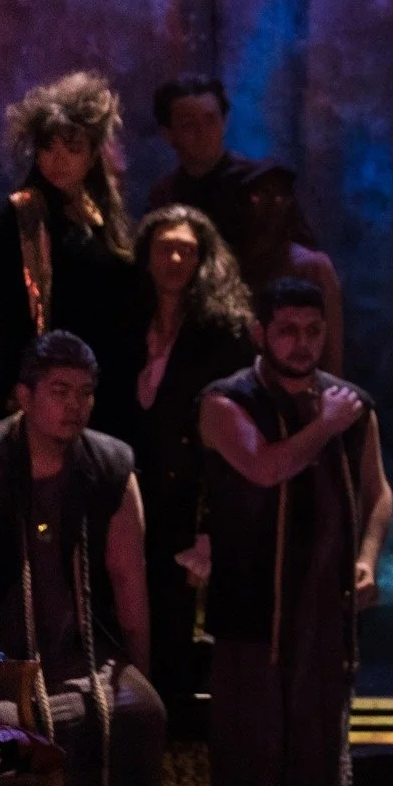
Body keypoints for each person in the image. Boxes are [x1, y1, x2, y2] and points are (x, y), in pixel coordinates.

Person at [198, 278, 390, 786]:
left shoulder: (351, 404)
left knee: (314, 744)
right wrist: (325, 425)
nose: (302, 343)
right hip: (253, 606)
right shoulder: (227, 400)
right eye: (288, 330)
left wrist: (366, 558)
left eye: (313, 331)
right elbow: (265, 467)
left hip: (322, 609)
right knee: (251, 746)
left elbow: (377, 492)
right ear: (261, 333)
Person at [0, 332, 164, 786]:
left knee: (141, 713)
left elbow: (129, 582)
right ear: (24, 396)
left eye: (85, 392)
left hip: (78, 651)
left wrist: (139, 668)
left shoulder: (108, 466)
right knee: (12, 731)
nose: (74, 406)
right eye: (59, 391)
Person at [124, 205, 256, 731]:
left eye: (187, 249)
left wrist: (212, 530)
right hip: (128, 496)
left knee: (179, 642)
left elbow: (232, 442)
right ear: (146, 255)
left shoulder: (222, 334)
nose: (176, 257)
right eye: (165, 247)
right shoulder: (124, 321)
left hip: (190, 503)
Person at [0, 73, 138, 436]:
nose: (58, 160)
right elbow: (9, 311)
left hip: (107, 373)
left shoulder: (101, 214)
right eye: (48, 148)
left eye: (72, 149)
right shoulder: (24, 213)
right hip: (51, 381)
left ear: (91, 157)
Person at [146, 75, 314, 259]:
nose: (203, 133)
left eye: (210, 120)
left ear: (224, 123)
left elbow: (301, 261)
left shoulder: (262, 186)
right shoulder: (164, 197)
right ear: (169, 134)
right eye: (189, 125)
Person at [232, 163, 343, 374]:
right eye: (262, 194)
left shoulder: (311, 267)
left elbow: (330, 351)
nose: (273, 203)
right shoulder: (229, 266)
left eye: (281, 195)